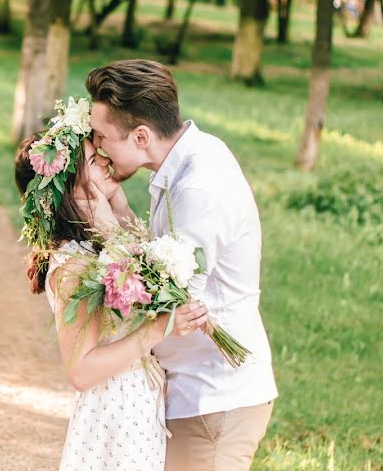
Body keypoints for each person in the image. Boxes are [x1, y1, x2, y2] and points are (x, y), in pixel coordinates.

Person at [85, 59, 278, 471]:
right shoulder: (188, 158)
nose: (98, 148)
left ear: (141, 136)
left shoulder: (198, 186)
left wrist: (100, 220)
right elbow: (163, 261)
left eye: (103, 136)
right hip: (194, 388)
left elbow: (166, 297)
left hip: (214, 394)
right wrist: (118, 205)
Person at [14, 99, 209, 471]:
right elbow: (80, 371)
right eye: (93, 160)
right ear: (68, 187)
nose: (105, 159)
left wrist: (115, 202)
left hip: (139, 406)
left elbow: (150, 272)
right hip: (115, 414)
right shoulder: (74, 266)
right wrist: (159, 328)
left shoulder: (97, 244)